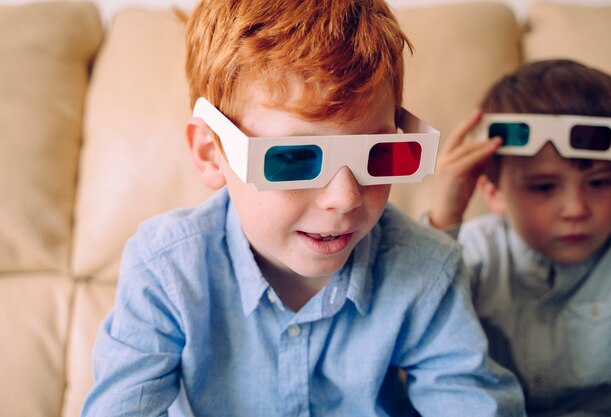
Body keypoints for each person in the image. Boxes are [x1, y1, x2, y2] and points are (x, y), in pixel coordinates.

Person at [80, 1, 525, 416]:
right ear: (212, 153)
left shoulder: (426, 268)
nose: (346, 198)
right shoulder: (166, 269)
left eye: (378, 155)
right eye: (295, 158)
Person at [427, 59, 611, 416]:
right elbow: (414, 314)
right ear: (493, 191)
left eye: (599, 183)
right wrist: (445, 214)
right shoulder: (473, 251)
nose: (576, 208)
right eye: (544, 187)